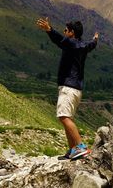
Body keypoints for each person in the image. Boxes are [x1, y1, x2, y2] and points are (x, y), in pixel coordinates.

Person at [36, 17, 99, 160]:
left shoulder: (71, 44)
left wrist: (49, 30)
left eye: (66, 30)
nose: (64, 32)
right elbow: (91, 44)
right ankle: (72, 151)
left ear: (71, 33)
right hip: (76, 89)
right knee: (67, 117)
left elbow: (59, 40)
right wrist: (95, 39)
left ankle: (80, 146)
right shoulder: (84, 46)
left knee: (63, 117)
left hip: (68, 87)